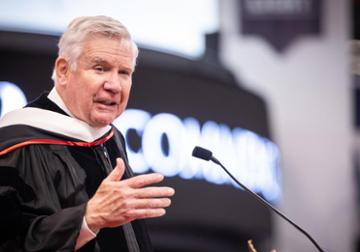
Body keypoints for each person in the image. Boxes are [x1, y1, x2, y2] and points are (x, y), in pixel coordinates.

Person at [0, 15, 175, 251]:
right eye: (100, 68)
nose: (114, 85)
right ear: (63, 70)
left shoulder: (111, 138)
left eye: (124, 72)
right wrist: (88, 218)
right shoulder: (18, 144)